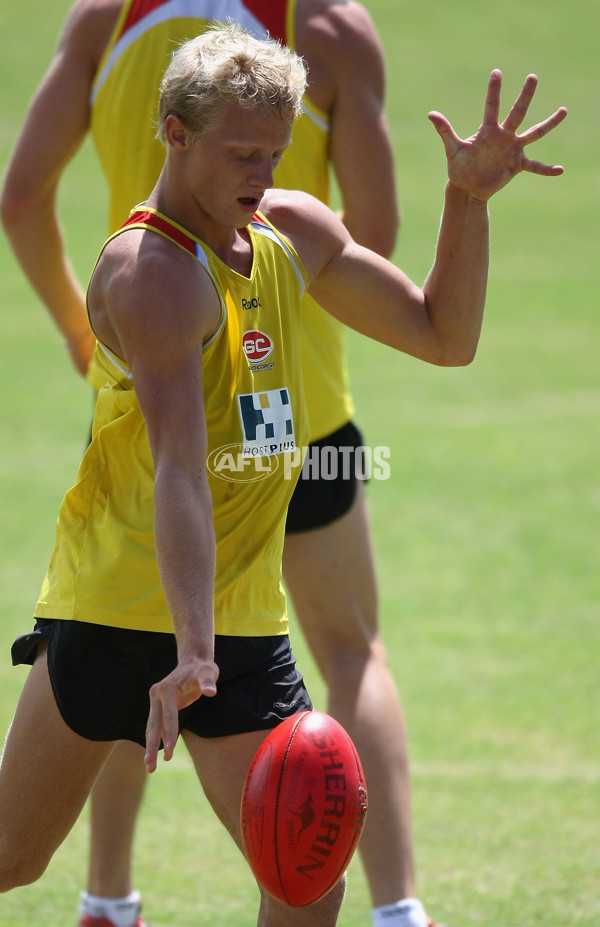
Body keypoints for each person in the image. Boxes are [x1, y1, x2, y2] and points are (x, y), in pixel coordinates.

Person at [0, 15, 566, 927]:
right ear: (175, 134)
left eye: (275, 154)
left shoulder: (288, 232)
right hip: (116, 609)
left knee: (307, 878)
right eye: (241, 155)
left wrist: (467, 202)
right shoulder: (154, 275)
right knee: (13, 858)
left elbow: (444, 335)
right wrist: (190, 649)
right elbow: (183, 468)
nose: (262, 179)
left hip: (236, 624)